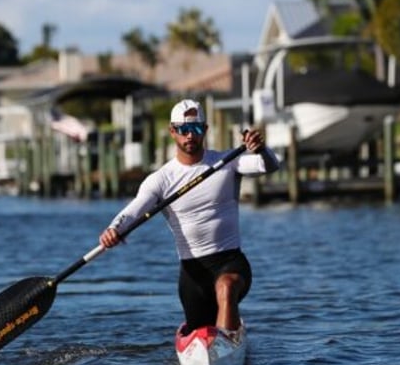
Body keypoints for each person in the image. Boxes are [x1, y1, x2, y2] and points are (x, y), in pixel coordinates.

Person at [98, 98, 280, 335]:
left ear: (204, 130)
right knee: (200, 329)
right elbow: (134, 209)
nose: (189, 136)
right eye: (183, 130)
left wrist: (261, 149)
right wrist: (114, 228)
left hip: (231, 262)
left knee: (226, 287)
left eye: (195, 129)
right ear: (172, 132)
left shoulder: (227, 162)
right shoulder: (161, 179)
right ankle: (219, 339)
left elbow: (271, 166)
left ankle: (226, 344)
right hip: (193, 275)